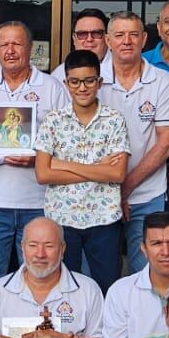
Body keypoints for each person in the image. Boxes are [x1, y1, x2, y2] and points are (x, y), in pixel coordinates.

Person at [0, 20, 69, 294]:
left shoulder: (52, 88)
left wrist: (39, 158)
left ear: (30, 49)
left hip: (39, 202)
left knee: (41, 278)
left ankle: (38, 335)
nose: (10, 51)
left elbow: (67, 143)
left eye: (17, 44)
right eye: (4, 45)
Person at [35, 50, 129, 289]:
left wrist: (62, 164)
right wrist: (98, 169)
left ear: (99, 82)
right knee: (64, 286)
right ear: (66, 84)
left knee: (107, 285)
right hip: (62, 218)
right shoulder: (53, 121)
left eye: (89, 80)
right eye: (75, 81)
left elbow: (117, 174)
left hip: (104, 217)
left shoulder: (114, 120)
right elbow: (43, 174)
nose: (82, 87)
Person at [99, 11, 169, 273]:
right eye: (119, 35)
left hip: (148, 194)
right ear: (107, 40)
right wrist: (112, 189)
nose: (127, 41)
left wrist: (125, 187)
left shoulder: (162, 81)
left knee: (146, 272)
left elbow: (166, 143)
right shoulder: (92, 80)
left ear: (144, 39)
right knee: (100, 272)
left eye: (133, 34)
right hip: (97, 195)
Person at [49, 9, 115, 84]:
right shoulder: (60, 74)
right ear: (74, 39)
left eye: (96, 33)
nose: (89, 39)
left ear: (107, 38)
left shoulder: (123, 69)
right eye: (82, 34)